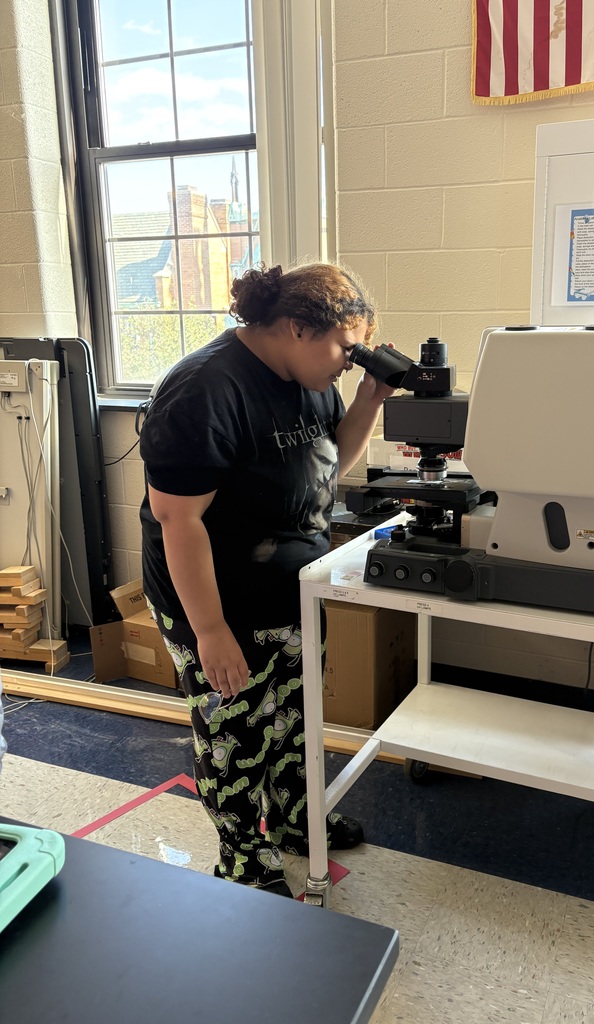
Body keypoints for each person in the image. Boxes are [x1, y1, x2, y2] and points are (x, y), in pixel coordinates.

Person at [139, 261, 394, 897]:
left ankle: (293, 820)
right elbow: (177, 520)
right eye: (346, 349)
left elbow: (328, 463)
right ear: (297, 328)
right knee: (234, 733)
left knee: (295, 720)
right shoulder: (205, 389)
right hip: (218, 601)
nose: (348, 364)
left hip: (292, 587)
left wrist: (369, 398)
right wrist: (210, 631)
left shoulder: (310, 378)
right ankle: (243, 854)